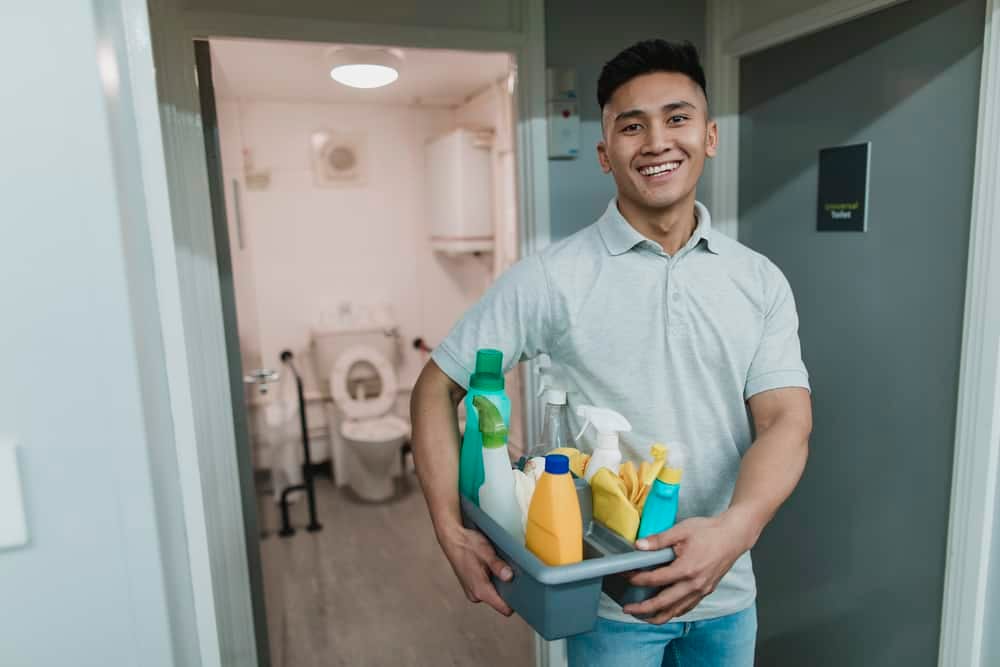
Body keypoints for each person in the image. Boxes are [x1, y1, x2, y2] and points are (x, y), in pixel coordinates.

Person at [409, 39, 812, 666]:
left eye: (677, 118)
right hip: (604, 603)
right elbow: (436, 386)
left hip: (727, 595)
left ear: (708, 137)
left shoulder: (758, 280)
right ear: (605, 154)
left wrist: (738, 528)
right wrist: (448, 530)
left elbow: (786, 420)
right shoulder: (551, 278)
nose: (656, 142)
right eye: (632, 126)